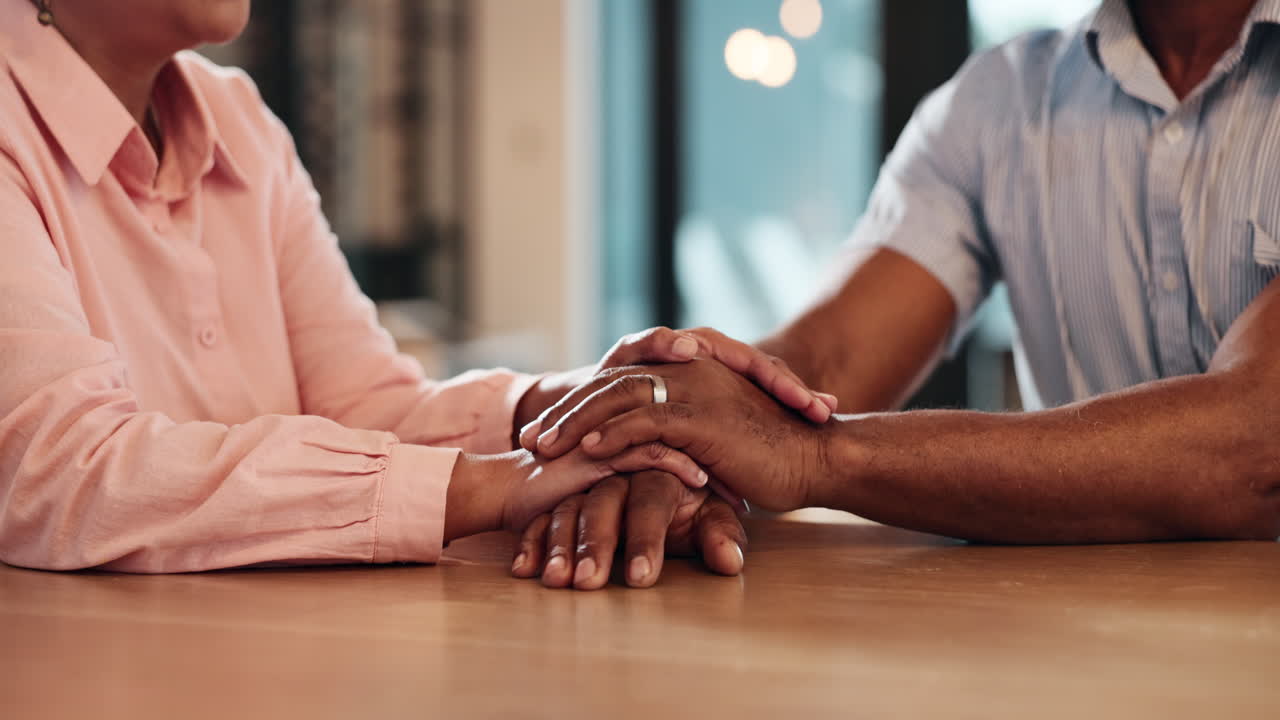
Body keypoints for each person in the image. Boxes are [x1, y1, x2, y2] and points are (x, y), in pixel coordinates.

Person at [0, 0, 838, 579]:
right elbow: (62, 473)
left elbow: (361, 402)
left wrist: (585, 410)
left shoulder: (243, 122)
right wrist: (503, 485)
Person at [523, 0, 1280, 549]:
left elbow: (1253, 444)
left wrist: (811, 457)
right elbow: (829, 361)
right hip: (1076, 643)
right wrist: (677, 442)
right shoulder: (999, 101)